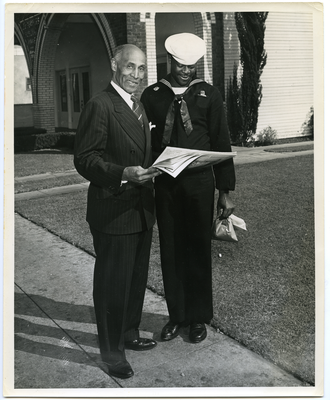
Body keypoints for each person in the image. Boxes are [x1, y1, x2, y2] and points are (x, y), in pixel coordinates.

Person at [141, 33, 236, 344]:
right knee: (170, 249)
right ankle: (177, 316)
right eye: (180, 64)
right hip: (166, 185)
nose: (185, 70)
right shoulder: (153, 95)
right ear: (170, 61)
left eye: (191, 65)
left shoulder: (209, 94)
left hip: (199, 185)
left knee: (196, 249)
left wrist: (225, 191)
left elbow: (221, 142)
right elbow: (145, 143)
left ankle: (197, 318)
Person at [74, 44, 161, 380]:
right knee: (113, 283)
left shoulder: (137, 106)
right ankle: (112, 353)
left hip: (141, 209)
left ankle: (128, 333)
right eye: (130, 67)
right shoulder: (100, 105)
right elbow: (85, 159)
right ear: (114, 65)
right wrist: (124, 173)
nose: (136, 76)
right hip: (114, 211)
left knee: (135, 279)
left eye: (141, 69)